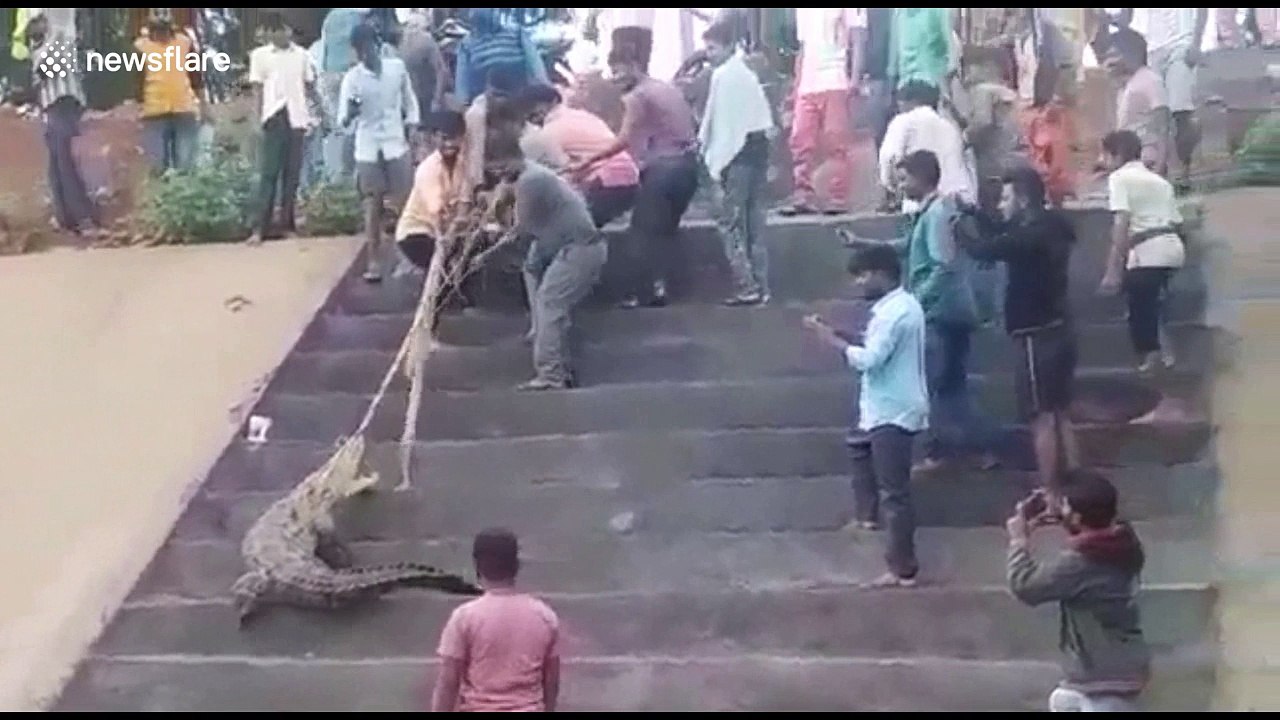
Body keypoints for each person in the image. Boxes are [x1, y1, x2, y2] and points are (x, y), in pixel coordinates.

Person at [804, 244, 927, 589]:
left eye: (863, 276)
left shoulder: (894, 312)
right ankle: (873, 525)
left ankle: (902, 568)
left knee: (895, 493)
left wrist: (834, 342)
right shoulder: (898, 308)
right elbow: (876, 346)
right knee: (878, 473)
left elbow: (870, 359)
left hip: (893, 409)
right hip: (886, 408)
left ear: (881, 274)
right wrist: (842, 335)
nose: (859, 283)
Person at [954, 165, 1081, 493]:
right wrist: (975, 214)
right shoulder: (1052, 225)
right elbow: (1002, 232)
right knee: (1060, 414)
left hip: (1035, 336)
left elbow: (986, 248)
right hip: (1060, 328)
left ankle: (1051, 492)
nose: (1001, 205)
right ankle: (1077, 486)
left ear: (1022, 200)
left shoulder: (1030, 236)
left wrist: (957, 229)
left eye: (1006, 198)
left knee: (1040, 418)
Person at [1006, 470, 1151, 712]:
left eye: (1064, 508)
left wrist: (1019, 539)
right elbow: (1094, 522)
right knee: (1062, 699)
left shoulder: (1084, 563)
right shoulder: (1122, 545)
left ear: (1077, 517)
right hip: (1114, 670)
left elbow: (1025, 585)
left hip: (1103, 678)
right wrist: (1062, 508)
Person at [572, 43, 699, 309]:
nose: (615, 79)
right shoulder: (667, 89)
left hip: (663, 169)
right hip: (688, 168)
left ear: (633, 66)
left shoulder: (637, 97)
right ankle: (659, 288)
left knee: (641, 233)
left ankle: (644, 293)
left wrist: (589, 160)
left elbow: (624, 139)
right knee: (664, 230)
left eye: (618, 72)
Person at [490, 137, 607, 391]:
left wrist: (488, 248)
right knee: (531, 269)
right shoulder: (527, 175)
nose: (498, 174)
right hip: (559, 243)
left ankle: (551, 374)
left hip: (580, 248)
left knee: (551, 303)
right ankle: (539, 333)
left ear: (514, 158)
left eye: (501, 168)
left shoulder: (532, 180)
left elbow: (521, 230)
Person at [431, 528, 560, 712]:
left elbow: (448, 683)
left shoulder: (464, 617)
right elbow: (551, 681)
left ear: (477, 566)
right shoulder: (544, 616)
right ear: (516, 565)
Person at [699, 22, 775, 306]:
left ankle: (746, 285)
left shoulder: (724, 75)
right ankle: (763, 287)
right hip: (757, 155)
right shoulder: (746, 74)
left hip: (737, 158)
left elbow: (721, 123)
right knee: (755, 226)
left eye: (712, 48)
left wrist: (712, 156)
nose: (709, 54)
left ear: (729, 46)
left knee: (730, 225)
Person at [340, 22, 421, 283]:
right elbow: (343, 120)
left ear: (378, 45)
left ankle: (407, 258)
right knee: (371, 206)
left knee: (405, 203)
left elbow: (410, 101)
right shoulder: (352, 79)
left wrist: (413, 126)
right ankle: (373, 261)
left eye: (369, 48)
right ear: (356, 51)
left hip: (395, 142)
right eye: (360, 50)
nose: (366, 54)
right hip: (368, 148)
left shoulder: (396, 69)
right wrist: (351, 113)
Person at [1099, 130, 1184, 373]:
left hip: (1148, 250)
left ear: (1116, 155)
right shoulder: (1159, 181)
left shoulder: (1119, 178)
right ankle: (1164, 351)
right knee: (1152, 300)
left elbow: (1121, 221)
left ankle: (1152, 356)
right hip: (1171, 247)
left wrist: (1112, 268)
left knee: (1140, 306)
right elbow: (1177, 221)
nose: (1103, 162)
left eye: (1105, 155)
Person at [517, 83, 639, 229]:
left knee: (569, 228)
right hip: (632, 178)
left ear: (553, 101)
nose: (529, 113)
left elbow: (566, 174)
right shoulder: (585, 116)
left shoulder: (550, 132)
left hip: (605, 182)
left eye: (533, 106)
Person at [780, 8, 860, 216]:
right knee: (800, 141)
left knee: (836, 142)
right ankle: (802, 194)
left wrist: (855, 78)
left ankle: (838, 196)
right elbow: (803, 49)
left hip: (835, 79)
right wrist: (796, 88)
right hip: (808, 84)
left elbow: (858, 38)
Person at [25, 13, 98, 235]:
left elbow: (47, 69)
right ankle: (70, 217)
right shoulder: (46, 45)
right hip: (54, 105)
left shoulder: (59, 40)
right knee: (57, 163)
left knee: (62, 161)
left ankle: (77, 217)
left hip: (62, 103)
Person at [247, 13, 316, 243]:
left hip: (296, 116)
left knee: (292, 175)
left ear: (289, 30)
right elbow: (257, 90)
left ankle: (287, 224)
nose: (280, 34)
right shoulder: (260, 56)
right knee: (268, 174)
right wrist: (256, 120)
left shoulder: (302, 56)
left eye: (284, 29)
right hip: (273, 116)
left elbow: (309, 87)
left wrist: (316, 115)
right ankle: (260, 227)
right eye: (275, 30)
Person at [879, 80, 974, 213]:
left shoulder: (903, 121)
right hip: (960, 201)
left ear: (907, 102)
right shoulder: (950, 126)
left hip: (922, 205)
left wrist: (893, 187)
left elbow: (889, 159)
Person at [1140, 8, 1208, 190]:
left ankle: (1184, 170)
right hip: (1152, 48)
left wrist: (1196, 43)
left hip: (1181, 45)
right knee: (1157, 114)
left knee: (1181, 112)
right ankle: (1161, 171)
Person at [1015, 10, 1077, 207]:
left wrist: (1051, 100)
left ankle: (1055, 203)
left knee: (1052, 159)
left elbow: (1059, 68)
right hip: (1026, 105)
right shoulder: (1019, 36)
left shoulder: (1048, 31)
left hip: (1045, 106)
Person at [396, 111, 469, 273]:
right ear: (434, 138)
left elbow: (465, 200)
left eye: (454, 138)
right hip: (416, 233)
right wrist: (445, 245)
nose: (449, 144)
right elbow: (437, 214)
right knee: (446, 266)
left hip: (447, 230)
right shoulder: (428, 169)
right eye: (444, 138)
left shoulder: (463, 165)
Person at [134, 17, 201, 173]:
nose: (161, 36)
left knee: (185, 165)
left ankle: (183, 195)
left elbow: (195, 75)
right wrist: (138, 105)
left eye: (164, 31)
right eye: (157, 32)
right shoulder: (141, 47)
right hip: (153, 112)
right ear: (151, 32)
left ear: (170, 30)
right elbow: (136, 78)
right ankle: (161, 195)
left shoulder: (184, 43)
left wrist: (203, 103)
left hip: (184, 109)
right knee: (156, 166)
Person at [455, 7, 548, 106]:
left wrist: (545, 89)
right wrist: (463, 104)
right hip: (488, 105)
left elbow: (534, 63)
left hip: (521, 98)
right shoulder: (467, 43)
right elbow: (462, 80)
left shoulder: (517, 32)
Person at [1105, 30, 1168, 174]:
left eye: (1114, 54)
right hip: (1129, 160)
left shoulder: (1150, 80)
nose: (1109, 61)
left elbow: (1163, 127)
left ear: (1130, 53)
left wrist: (1160, 165)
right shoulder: (1126, 86)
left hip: (1147, 159)